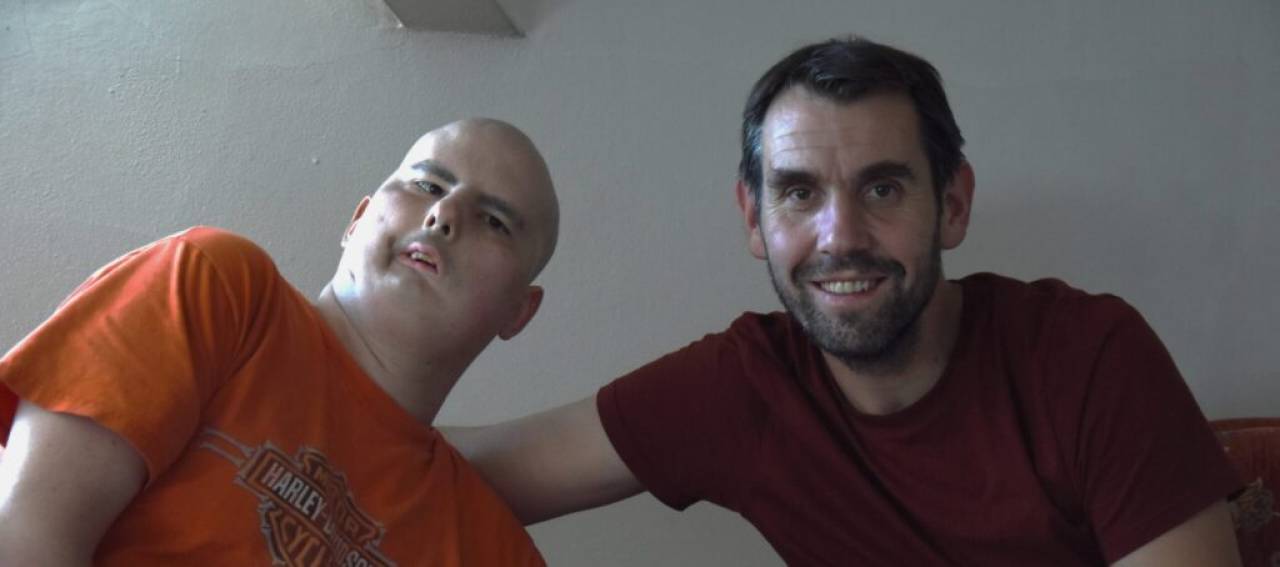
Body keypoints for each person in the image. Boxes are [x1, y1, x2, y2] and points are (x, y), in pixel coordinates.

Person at [447, 39, 1243, 566]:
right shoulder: (744, 388)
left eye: (883, 188)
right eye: (799, 193)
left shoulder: (1089, 357)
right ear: (755, 220)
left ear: (953, 205)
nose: (842, 237)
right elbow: (457, 473)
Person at [0, 118, 559, 566]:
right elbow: (26, 535)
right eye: (427, 185)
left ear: (519, 311)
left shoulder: (491, 549)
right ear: (358, 219)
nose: (444, 214)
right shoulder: (220, 285)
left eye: (494, 221)